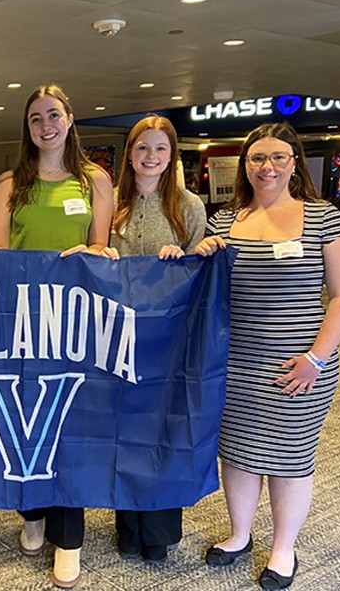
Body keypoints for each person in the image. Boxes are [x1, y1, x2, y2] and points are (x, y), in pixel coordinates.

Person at [195, 122, 340, 590]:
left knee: (289, 458)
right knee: (239, 454)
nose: (267, 166)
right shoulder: (224, 220)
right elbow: (205, 283)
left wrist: (317, 358)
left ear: (294, 163)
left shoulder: (323, 218)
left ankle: (283, 547)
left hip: (300, 367)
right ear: (245, 165)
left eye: (278, 157)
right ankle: (240, 534)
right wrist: (202, 250)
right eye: (257, 158)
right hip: (234, 365)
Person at [0, 84, 114, 589]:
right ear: (27, 128)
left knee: (69, 425)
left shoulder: (95, 181)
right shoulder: (11, 183)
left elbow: (100, 247)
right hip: (22, 324)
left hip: (75, 321)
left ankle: (68, 538)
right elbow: (2, 254)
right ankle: (32, 513)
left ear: (70, 119)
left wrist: (99, 254)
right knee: (26, 420)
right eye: (35, 118)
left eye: (54, 115)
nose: (45, 124)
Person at [109, 115, 206, 562]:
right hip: (118, 337)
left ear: (172, 156)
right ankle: (128, 525)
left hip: (167, 341)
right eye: (143, 148)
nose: (151, 156)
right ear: (130, 154)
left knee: (163, 432)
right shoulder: (111, 203)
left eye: (160, 149)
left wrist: (183, 257)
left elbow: (201, 270)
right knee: (124, 431)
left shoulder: (188, 206)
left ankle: (160, 532)